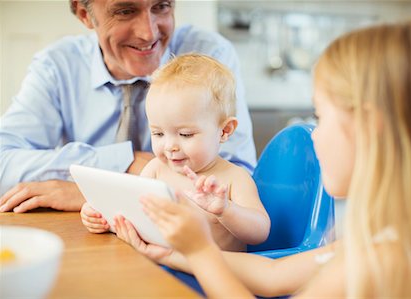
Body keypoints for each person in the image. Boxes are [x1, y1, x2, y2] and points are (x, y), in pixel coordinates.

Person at [114, 20, 411, 298]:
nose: (313, 134)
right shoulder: (394, 240)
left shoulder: (382, 260)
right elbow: (273, 275)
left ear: (369, 127)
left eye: (321, 116)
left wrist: (201, 252)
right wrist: (180, 253)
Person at [0, 0, 256, 213]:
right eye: (125, 11)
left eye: (161, 6)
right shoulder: (57, 66)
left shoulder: (209, 56)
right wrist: (125, 161)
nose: (149, 33)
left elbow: (236, 179)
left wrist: (102, 192)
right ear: (83, 13)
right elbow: (3, 163)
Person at [81, 54, 270, 251]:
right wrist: (101, 215)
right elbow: (133, 215)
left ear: (224, 130)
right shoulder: (156, 170)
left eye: (185, 134)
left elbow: (260, 232)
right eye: (158, 133)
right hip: (164, 267)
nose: (170, 145)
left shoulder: (234, 179)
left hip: (215, 276)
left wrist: (226, 210)